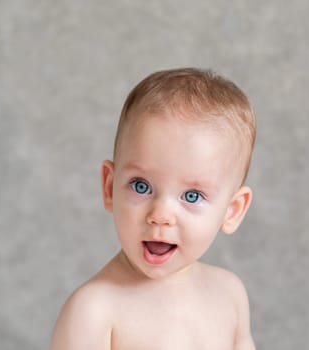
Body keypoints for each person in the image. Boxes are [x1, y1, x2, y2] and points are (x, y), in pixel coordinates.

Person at [50, 67, 257, 350]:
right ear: (110, 187)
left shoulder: (229, 295)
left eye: (192, 196)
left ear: (232, 210)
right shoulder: (94, 311)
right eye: (141, 186)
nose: (160, 214)